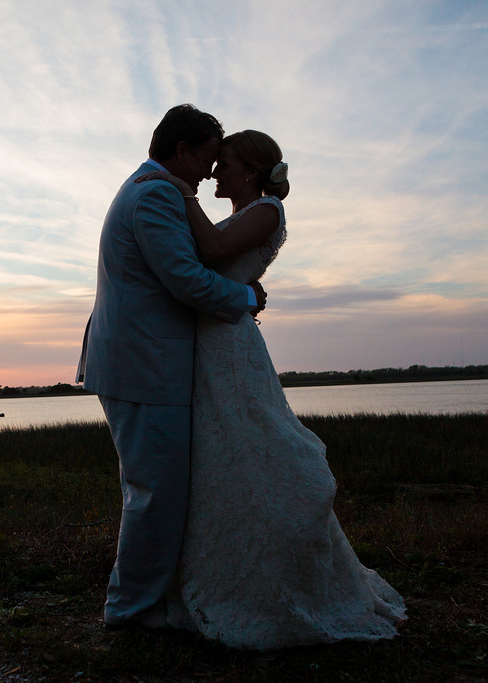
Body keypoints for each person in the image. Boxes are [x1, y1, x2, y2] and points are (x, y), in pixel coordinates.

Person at [140, 130, 407, 649]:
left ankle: (281, 584)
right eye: (212, 164)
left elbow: (214, 249)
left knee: (256, 447)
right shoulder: (241, 211)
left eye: (225, 163)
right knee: (222, 459)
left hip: (230, 348)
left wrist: (179, 191)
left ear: (250, 170)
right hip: (208, 343)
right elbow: (200, 258)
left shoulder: (266, 211)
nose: (215, 172)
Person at [76, 105, 267, 630]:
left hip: (139, 361)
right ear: (181, 150)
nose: (209, 173)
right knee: (155, 493)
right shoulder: (158, 194)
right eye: (206, 159)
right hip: (145, 363)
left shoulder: (143, 186)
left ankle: (146, 601)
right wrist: (246, 295)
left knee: (152, 489)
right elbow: (184, 279)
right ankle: (133, 611)